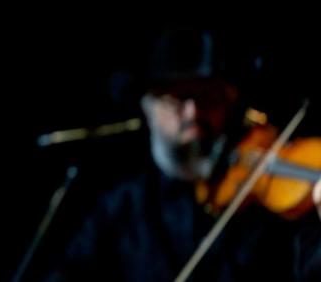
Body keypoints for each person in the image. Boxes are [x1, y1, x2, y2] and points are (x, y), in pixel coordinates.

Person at [44, 26, 320, 281]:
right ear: (148, 105)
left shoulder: (265, 208)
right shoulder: (120, 207)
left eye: (207, 96)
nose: (193, 112)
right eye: (178, 98)